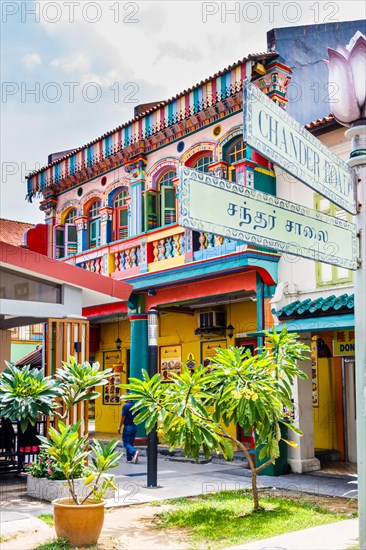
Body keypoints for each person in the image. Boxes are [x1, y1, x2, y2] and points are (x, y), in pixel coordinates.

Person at [117, 397, 139, 464]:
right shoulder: (136, 405)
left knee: (126, 442)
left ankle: (134, 452)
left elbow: (123, 417)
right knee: (130, 443)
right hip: (134, 426)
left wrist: (119, 427)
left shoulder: (126, 406)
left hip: (128, 426)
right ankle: (129, 458)